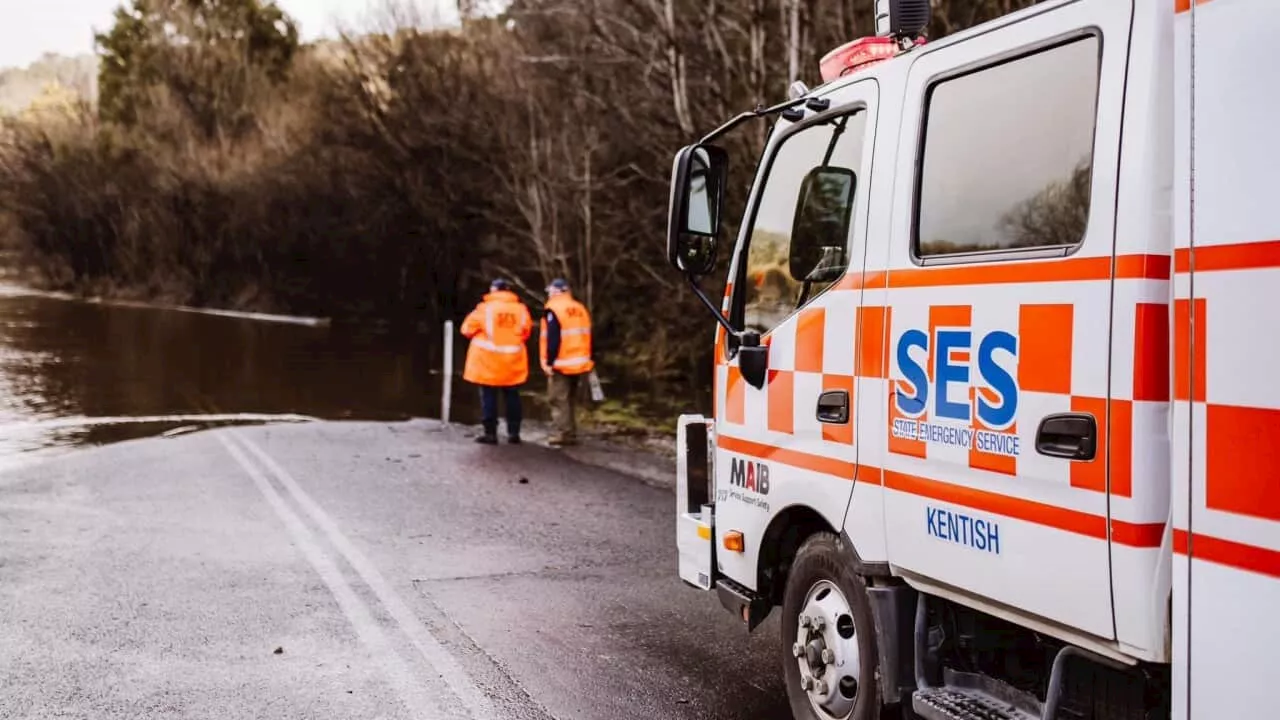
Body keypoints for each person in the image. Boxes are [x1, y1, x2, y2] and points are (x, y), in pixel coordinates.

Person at [461, 279, 533, 444]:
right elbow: (526, 332)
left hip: (488, 361)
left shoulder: (484, 309)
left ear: (493, 290)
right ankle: (514, 433)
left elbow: (466, 329)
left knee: (488, 397)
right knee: (513, 397)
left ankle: (490, 434)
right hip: (513, 361)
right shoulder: (521, 309)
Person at [539, 278, 593, 447]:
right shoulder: (579, 308)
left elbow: (553, 338)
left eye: (550, 291)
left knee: (557, 398)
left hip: (562, 361)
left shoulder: (554, 309)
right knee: (569, 398)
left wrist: (549, 361)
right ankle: (570, 431)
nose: (548, 294)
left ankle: (562, 433)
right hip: (579, 360)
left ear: (558, 291)